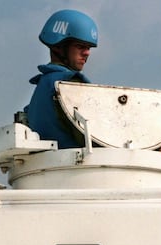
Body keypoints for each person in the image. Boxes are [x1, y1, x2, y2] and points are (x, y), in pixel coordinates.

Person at [23, 9, 98, 148]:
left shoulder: (41, 89)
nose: (87, 52)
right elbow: (95, 138)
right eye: (80, 46)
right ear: (59, 47)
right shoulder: (69, 84)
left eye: (89, 47)